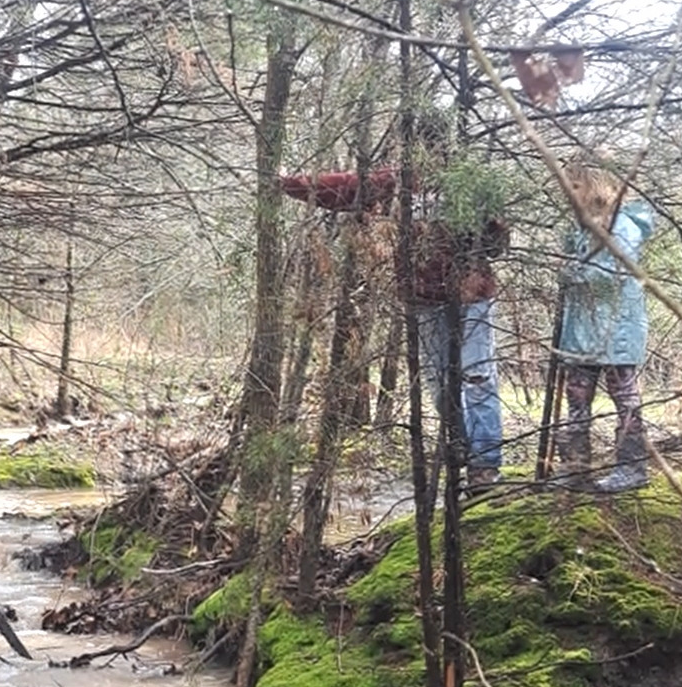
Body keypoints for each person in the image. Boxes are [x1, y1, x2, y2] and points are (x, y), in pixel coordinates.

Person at [279, 157, 507, 493]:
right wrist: (289, 183)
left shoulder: (466, 177)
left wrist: (488, 230)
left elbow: (497, 242)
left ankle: (484, 467)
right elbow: (343, 186)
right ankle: (459, 450)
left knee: (477, 376)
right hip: (424, 297)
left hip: (472, 296)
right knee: (439, 383)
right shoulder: (395, 180)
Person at [555, 164, 654, 493]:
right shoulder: (580, 228)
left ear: (594, 186)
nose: (569, 191)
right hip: (581, 331)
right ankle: (576, 467)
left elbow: (607, 276)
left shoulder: (622, 226)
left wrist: (570, 273)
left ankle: (632, 466)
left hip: (616, 330)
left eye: (576, 184)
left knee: (623, 395)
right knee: (577, 396)